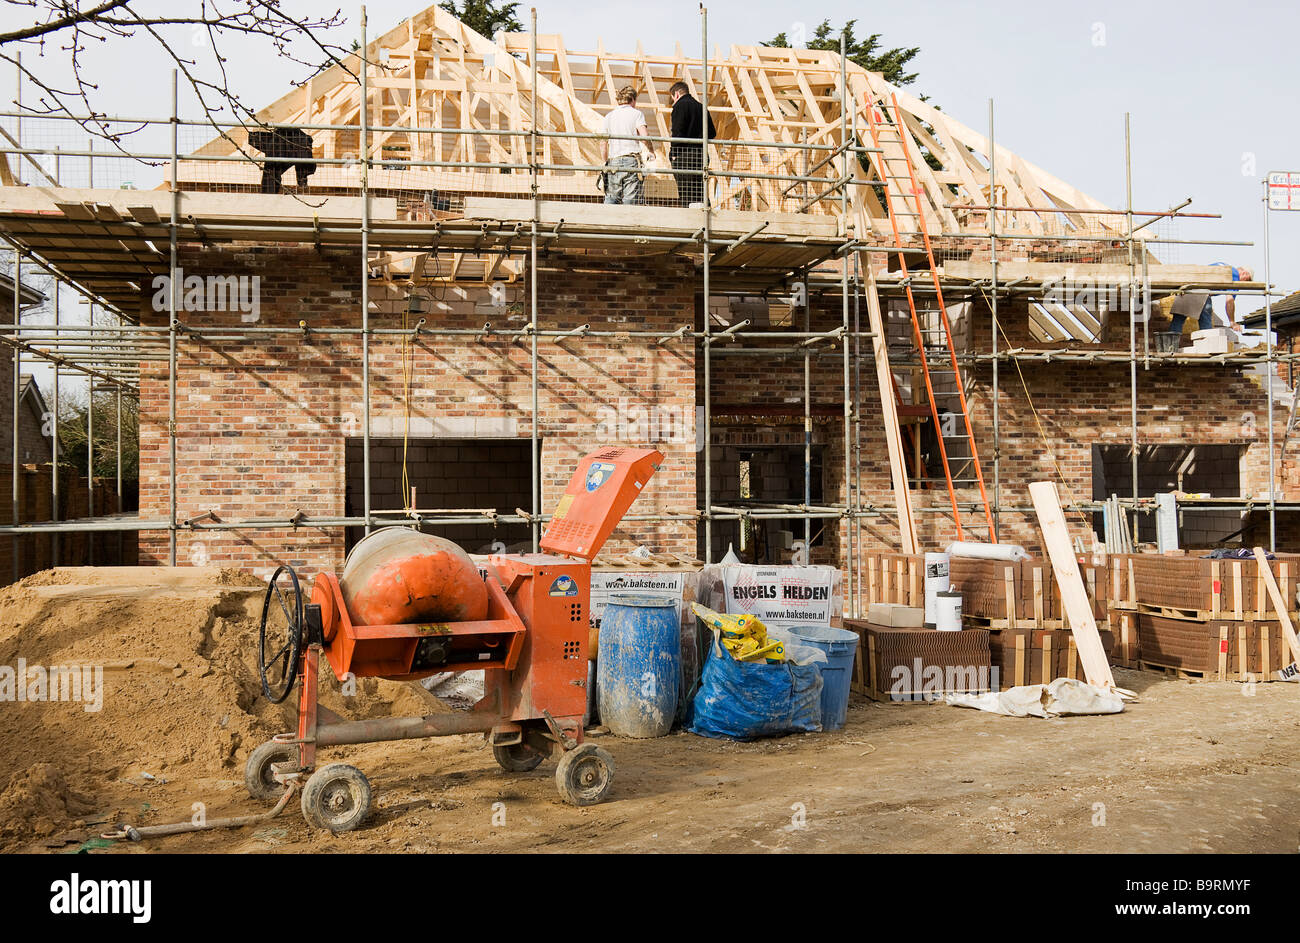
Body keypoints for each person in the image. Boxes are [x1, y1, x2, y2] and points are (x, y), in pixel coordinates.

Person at [667, 81, 715, 208]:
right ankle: (705, 219)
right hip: (701, 155)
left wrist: (673, 154)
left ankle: (689, 221)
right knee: (701, 190)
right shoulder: (701, 107)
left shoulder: (679, 106)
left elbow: (677, 132)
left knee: (686, 193)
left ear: (676, 94)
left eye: (673, 99)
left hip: (685, 156)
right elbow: (712, 133)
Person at [1169, 263, 1254, 335]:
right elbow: (1230, 300)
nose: (1245, 283)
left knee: (1177, 322)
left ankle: (1170, 347)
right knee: (1206, 329)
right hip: (1201, 292)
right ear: (1245, 274)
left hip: (1186, 289)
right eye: (1248, 280)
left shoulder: (1224, 267)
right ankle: (1206, 348)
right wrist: (1232, 322)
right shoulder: (1234, 275)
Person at [601, 86, 648, 205]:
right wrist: (651, 151)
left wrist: (605, 161)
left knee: (612, 198)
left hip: (614, 161)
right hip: (631, 160)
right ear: (632, 99)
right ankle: (628, 222)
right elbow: (645, 137)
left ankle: (607, 222)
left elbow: (603, 143)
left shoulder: (609, 116)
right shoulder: (637, 114)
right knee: (630, 200)